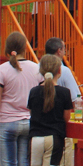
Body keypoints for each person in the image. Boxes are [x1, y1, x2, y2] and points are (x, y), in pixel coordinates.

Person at [0, 32, 40, 166]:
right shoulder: (36, 68)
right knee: (24, 161)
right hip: (28, 120)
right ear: (25, 48)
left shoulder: (2, 70)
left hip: (7, 121)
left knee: (8, 162)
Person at [28, 55, 72, 166]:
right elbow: (66, 117)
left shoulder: (33, 91)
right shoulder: (64, 92)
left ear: (41, 71)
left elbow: (31, 113)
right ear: (59, 70)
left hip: (35, 137)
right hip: (54, 137)